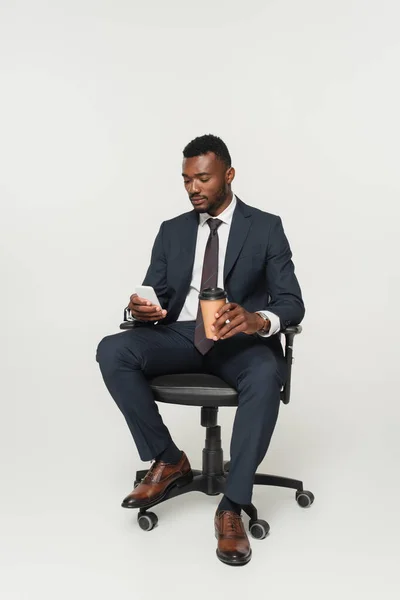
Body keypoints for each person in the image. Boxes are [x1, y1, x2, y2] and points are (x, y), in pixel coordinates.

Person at [96, 134, 305, 566]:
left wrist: (257, 319)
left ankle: (232, 506)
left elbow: (291, 302)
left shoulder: (266, 227)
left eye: (203, 179)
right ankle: (169, 460)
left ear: (228, 175)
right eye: (187, 180)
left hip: (238, 339)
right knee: (112, 350)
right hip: (181, 334)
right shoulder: (171, 230)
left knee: (267, 373)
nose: (194, 188)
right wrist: (143, 308)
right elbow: (155, 291)